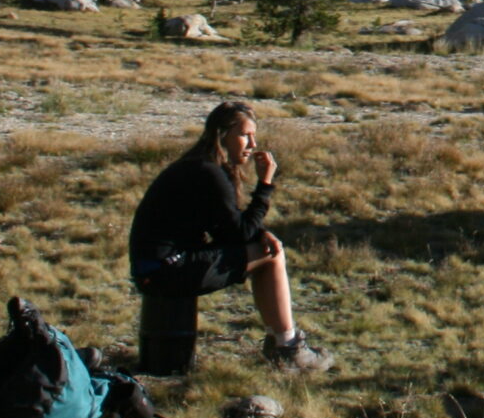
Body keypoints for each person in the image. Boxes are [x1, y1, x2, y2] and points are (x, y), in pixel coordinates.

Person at [129, 100, 332, 372]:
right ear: (221, 135)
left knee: (263, 247)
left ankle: (283, 343)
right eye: (244, 135)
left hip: (157, 269)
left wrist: (259, 232)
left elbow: (225, 226)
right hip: (166, 272)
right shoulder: (209, 172)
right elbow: (236, 234)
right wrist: (265, 185)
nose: (252, 144)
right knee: (272, 254)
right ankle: (288, 347)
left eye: (253, 135)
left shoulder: (198, 166)